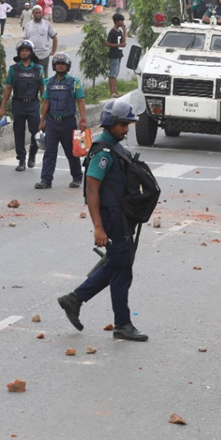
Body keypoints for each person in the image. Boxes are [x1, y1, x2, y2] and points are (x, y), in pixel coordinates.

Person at [57, 99, 149, 342]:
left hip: (122, 217)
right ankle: (122, 324)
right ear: (110, 124)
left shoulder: (115, 148)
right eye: (122, 125)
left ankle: (74, 300)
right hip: (112, 218)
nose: (126, 129)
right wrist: (98, 227)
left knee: (118, 265)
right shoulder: (103, 153)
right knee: (121, 270)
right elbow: (92, 190)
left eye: (128, 124)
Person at [35, 53, 87, 190]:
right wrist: (42, 121)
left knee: (71, 152)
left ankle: (77, 177)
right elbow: (46, 102)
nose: (60, 66)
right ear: (54, 66)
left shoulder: (74, 83)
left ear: (67, 66)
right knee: (49, 153)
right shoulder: (49, 83)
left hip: (68, 122)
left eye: (63, 64)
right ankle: (46, 180)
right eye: (58, 64)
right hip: (52, 122)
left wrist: (83, 120)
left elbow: (80, 101)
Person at [0, 40, 44, 172]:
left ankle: (33, 154)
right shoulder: (14, 69)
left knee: (36, 133)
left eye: (27, 50)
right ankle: (21, 159)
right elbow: (8, 88)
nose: (24, 52)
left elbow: (42, 89)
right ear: (19, 53)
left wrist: (46, 108)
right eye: (22, 50)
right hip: (18, 104)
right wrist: (2, 107)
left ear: (31, 52)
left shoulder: (38, 69)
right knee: (18, 133)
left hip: (33, 104)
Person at [105, 13, 126, 98]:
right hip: (114, 54)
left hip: (119, 54)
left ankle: (115, 91)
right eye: (121, 21)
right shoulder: (112, 32)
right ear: (116, 21)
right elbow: (107, 43)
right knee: (112, 73)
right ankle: (112, 92)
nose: (122, 22)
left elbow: (123, 43)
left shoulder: (119, 31)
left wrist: (125, 32)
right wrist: (118, 45)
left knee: (116, 73)